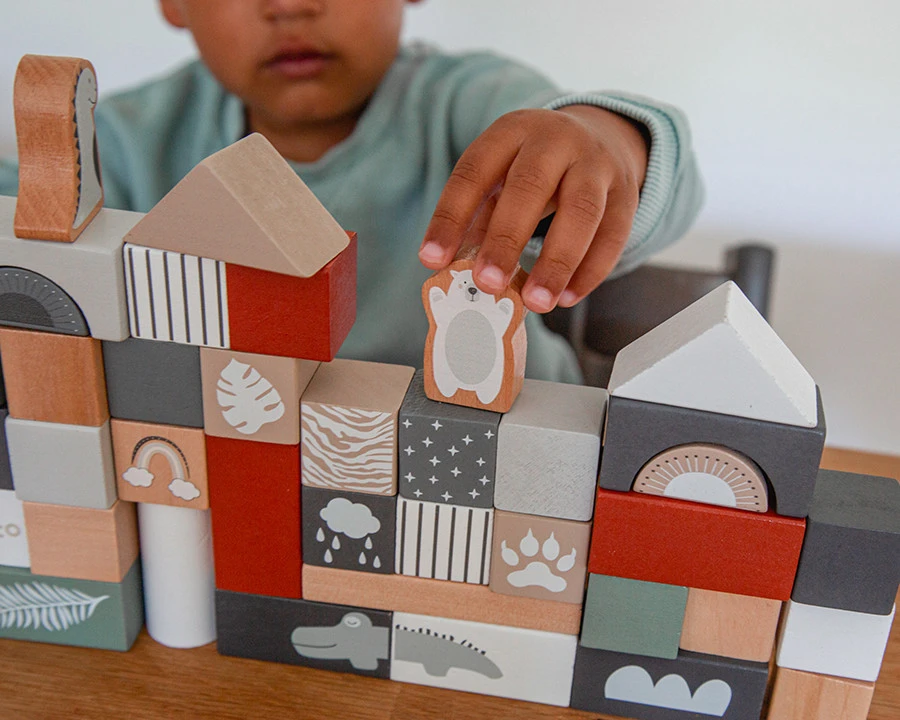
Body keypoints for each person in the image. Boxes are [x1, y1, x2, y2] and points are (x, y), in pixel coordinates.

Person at [0, 0, 704, 383]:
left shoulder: (470, 101)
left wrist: (606, 141)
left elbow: (623, 171)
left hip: (498, 456)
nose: (290, 6)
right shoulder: (109, 142)